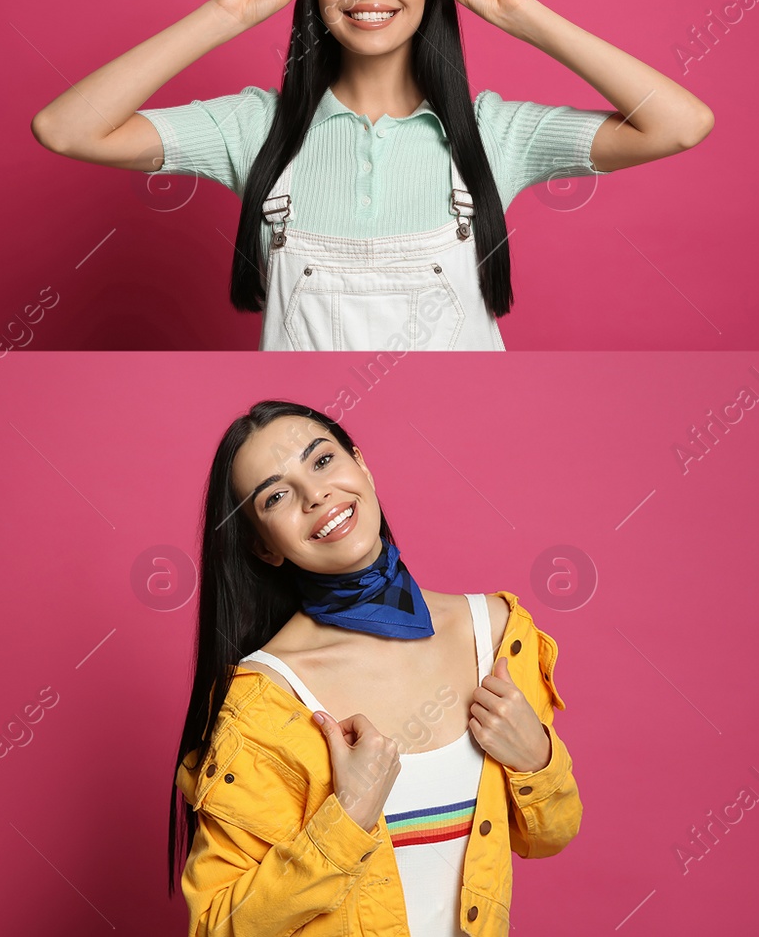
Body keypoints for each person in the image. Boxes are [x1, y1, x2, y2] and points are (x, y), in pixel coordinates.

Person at [32, 0, 714, 350]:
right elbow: (64, 129)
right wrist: (221, 17)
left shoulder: (496, 133)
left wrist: (523, 15)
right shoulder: (251, 128)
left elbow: (681, 124)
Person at [167, 399, 580, 935]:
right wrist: (346, 821)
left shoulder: (497, 634)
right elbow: (216, 928)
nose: (317, 495)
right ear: (263, 546)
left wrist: (538, 761)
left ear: (362, 465)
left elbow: (547, 838)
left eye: (321, 462)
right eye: (277, 495)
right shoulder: (263, 702)